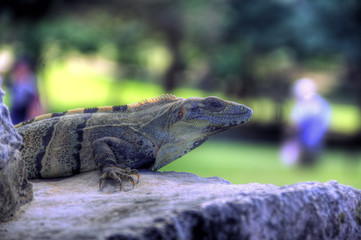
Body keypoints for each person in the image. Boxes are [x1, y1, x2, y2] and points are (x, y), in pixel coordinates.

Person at [281, 78, 331, 166]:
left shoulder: (303, 104)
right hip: (317, 143)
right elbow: (326, 123)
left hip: (304, 142)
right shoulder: (323, 104)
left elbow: (294, 123)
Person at [9, 58, 43, 125]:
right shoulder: (15, 79)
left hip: (26, 110)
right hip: (16, 111)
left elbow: (34, 99)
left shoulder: (31, 80)